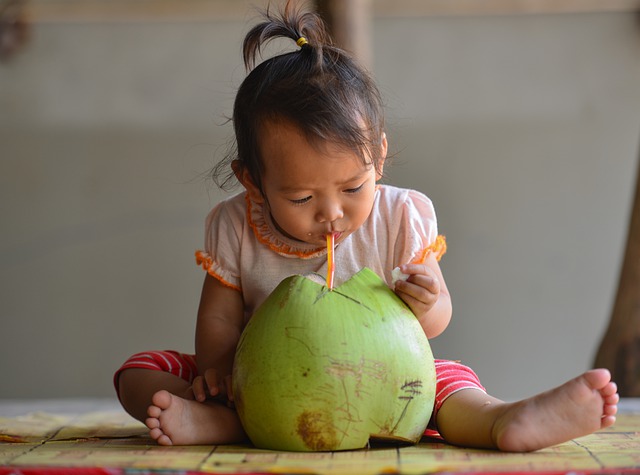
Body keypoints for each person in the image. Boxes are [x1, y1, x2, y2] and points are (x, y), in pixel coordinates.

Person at [114, 1, 619, 452]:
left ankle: (501, 420)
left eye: (353, 188)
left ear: (378, 156)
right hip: (271, 383)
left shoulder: (400, 216)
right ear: (252, 183)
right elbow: (221, 322)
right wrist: (221, 375)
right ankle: (225, 418)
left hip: (384, 379)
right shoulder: (234, 225)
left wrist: (429, 301)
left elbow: (435, 320)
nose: (331, 213)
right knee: (141, 371)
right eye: (301, 197)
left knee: (448, 380)